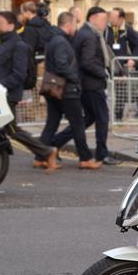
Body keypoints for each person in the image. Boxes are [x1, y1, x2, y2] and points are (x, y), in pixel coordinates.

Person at [0, 11, 58, 171]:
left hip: (6, 96)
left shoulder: (18, 46)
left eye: (0, 23)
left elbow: (19, 74)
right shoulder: (3, 43)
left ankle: (47, 152)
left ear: (10, 25)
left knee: (11, 130)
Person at [52, 6, 120, 166]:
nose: (105, 23)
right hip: (92, 85)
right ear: (93, 18)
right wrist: (104, 73)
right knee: (102, 118)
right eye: (103, 19)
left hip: (85, 84)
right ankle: (101, 154)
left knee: (88, 119)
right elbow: (87, 62)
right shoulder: (89, 36)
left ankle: (55, 143)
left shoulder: (86, 33)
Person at [39, 12, 100, 170]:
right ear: (68, 24)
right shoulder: (60, 41)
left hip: (55, 89)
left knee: (51, 124)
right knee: (78, 124)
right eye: (74, 24)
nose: (76, 27)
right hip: (66, 90)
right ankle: (85, 159)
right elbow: (61, 65)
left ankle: (40, 156)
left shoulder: (54, 39)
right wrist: (75, 78)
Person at [105, 7, 138, 121]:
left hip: (121, 67)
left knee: (120, 92)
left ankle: (118, 116)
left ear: (121, 19)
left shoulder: (127, 30)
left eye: (113, 17)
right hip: (108, 64)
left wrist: (133, 59)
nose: (110, 19)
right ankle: (104, 115)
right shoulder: (106, 29)